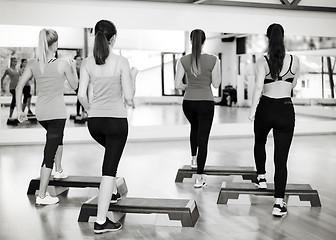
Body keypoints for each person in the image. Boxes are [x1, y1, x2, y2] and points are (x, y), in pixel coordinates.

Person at [78, 20, 135, 234]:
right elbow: (128, 97)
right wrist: (134, 77)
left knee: (111, 162)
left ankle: (110, 192)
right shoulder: (121, 61)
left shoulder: (87, 62)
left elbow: (82, 95)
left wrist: (91, 109)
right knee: (109, 170)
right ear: (113, 38)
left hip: (95, 123)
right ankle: (101, 221)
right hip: (116, 123)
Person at [16, 29, 78, 205]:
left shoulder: (32, 64)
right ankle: (42, 196)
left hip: (42, 113)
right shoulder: (62, 64)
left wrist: (21, 110)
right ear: (55, 44)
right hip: (57, 113)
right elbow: (75, 85)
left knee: (57, 139)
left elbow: (19, 87)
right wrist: (72, 66)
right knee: (49, 151)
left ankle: (58, 170)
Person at [248, 23, 300, 217]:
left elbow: (258, 87)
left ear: (267, 38)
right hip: (286, 110)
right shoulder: (295, 61)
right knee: (281, 160)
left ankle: (261, 177)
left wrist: (252, 110)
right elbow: (292, 84)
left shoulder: (262, 61)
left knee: (259, 141)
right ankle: (278, 204)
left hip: (266, 108)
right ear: (283, 37)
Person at [175, 29, 221, 188]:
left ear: (190, 40)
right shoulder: (213, 60)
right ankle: (200, 177)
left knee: (194, 127)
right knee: (204, 137)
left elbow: (178, 85)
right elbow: (216, 84)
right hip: (205, 102)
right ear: (204, 41)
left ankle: (194, 159)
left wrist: (191, 86)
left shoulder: (183, 60)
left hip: (189, 102)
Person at [73, 55, 86, 120]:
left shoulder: (83, 67)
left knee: (82, 98)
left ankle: (83, 112)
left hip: (83, 85)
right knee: (79, 99)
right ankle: (78, 113)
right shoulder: (74, 68)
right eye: (77, 60)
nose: (79, 61)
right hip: (77, 86)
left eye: (80, 59)